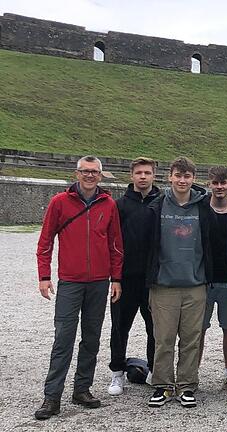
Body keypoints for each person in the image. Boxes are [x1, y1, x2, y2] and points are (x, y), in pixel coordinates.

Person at [34, 155, 123, 421]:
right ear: (77, 173)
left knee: (92, 338)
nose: (90, 176)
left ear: (100, 175)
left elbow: (116, 245)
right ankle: (52, 396)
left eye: (94, 172)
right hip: (71, 281)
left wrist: (115, 278)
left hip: (98, 281)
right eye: (85, 171)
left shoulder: (108, 204)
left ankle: (82, 389)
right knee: (63, 339)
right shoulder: (59, 202)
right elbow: (45, 240)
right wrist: (44, 276)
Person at [146, 157, 214, 408]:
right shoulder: (157, 205)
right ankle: (163, 385)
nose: (182, 180)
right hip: (163, 285)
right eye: (178, 175)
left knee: (191, 338)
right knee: (163, 339)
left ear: (193, 179)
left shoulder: (203, 207)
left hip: (195, 284)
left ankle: (187, 385)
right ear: (170, 177)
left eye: (187, 176)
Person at [108, 157, 159, 397]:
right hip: (125, 278)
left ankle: (153, 371)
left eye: (147, 172)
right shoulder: (119, 205)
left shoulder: (161, 203)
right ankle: (117, 372)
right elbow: (113, 242)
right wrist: (115, 277)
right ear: (132, 176)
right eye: (139, 172)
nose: (143, 176)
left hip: (153, 279)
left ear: (154, 175)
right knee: (120, 327)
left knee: (156, 329)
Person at [199, 166, 227, 394]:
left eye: (223, 183)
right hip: (204, 280)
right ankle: (191, 373)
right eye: (215, 182)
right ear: (209, 184)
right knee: (198, 330)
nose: (220, 187)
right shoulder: (202, 209)